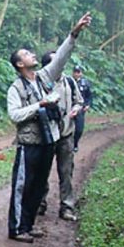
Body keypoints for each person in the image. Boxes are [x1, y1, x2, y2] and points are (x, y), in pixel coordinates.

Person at [7, 12, 92, 243]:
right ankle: (17, 228)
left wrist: (74, 33)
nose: (33, 54)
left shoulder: (44, 77)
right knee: (23, 186)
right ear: (20, 64)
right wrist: (39, 105)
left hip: (48, 141)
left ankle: (29, 224)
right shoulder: (16, 88)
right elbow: (14, 115)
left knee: (38, 186)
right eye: (27, 54)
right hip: (29, 143)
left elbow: (61, 57)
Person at [37, 50, 84, 221]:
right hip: (46, 134)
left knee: (66, 171)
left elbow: (79, 101)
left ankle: (67, 206)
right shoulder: (38, 82)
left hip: (66, 133)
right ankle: (39, 203)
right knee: (42, 171)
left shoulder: (69, 81)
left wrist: (75, 110)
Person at [72, 65, 93, 152]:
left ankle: (75, 143)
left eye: (78, 72)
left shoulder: (85, 83)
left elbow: (89, 96)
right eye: (75, 72)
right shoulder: (69, 81)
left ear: (81, 73)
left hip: (80, 109)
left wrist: (88, 105)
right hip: (70, 108)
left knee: (79, 129)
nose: (77, 74)